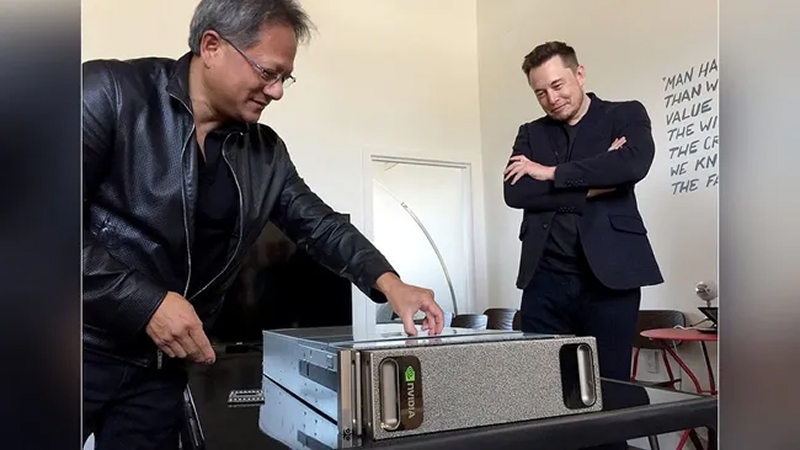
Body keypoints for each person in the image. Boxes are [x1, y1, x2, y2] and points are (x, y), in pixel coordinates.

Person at [82, 0, 444, 448]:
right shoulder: (108, 92)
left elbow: (320, 226)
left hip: (160, 371)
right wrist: (146, 303)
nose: (276, 92)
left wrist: (391, 283)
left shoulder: (266, 154)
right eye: (268, 72)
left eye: (284, 78)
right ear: (211, 46)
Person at [503, 42, 663, 386]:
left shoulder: (624, 114)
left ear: (580, 74)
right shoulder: (530, 133)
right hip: (543, 279)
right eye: (540, 92)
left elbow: (631, 165)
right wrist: (598, 178)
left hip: (611, 278)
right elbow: (516, 192)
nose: (551, 98)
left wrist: (549, 173)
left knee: (609, 387)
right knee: (543, 388)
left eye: (557, 85)